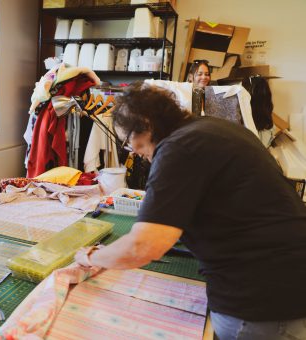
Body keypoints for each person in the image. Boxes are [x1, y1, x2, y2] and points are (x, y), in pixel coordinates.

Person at [74, 83, 306, 339]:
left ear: (147, 124)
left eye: (130, 142)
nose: (135, 153)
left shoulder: (178, 148)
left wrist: (92, 257)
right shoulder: (217, 129)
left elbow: (143, 246)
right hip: (289, 278)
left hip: (261, 300)